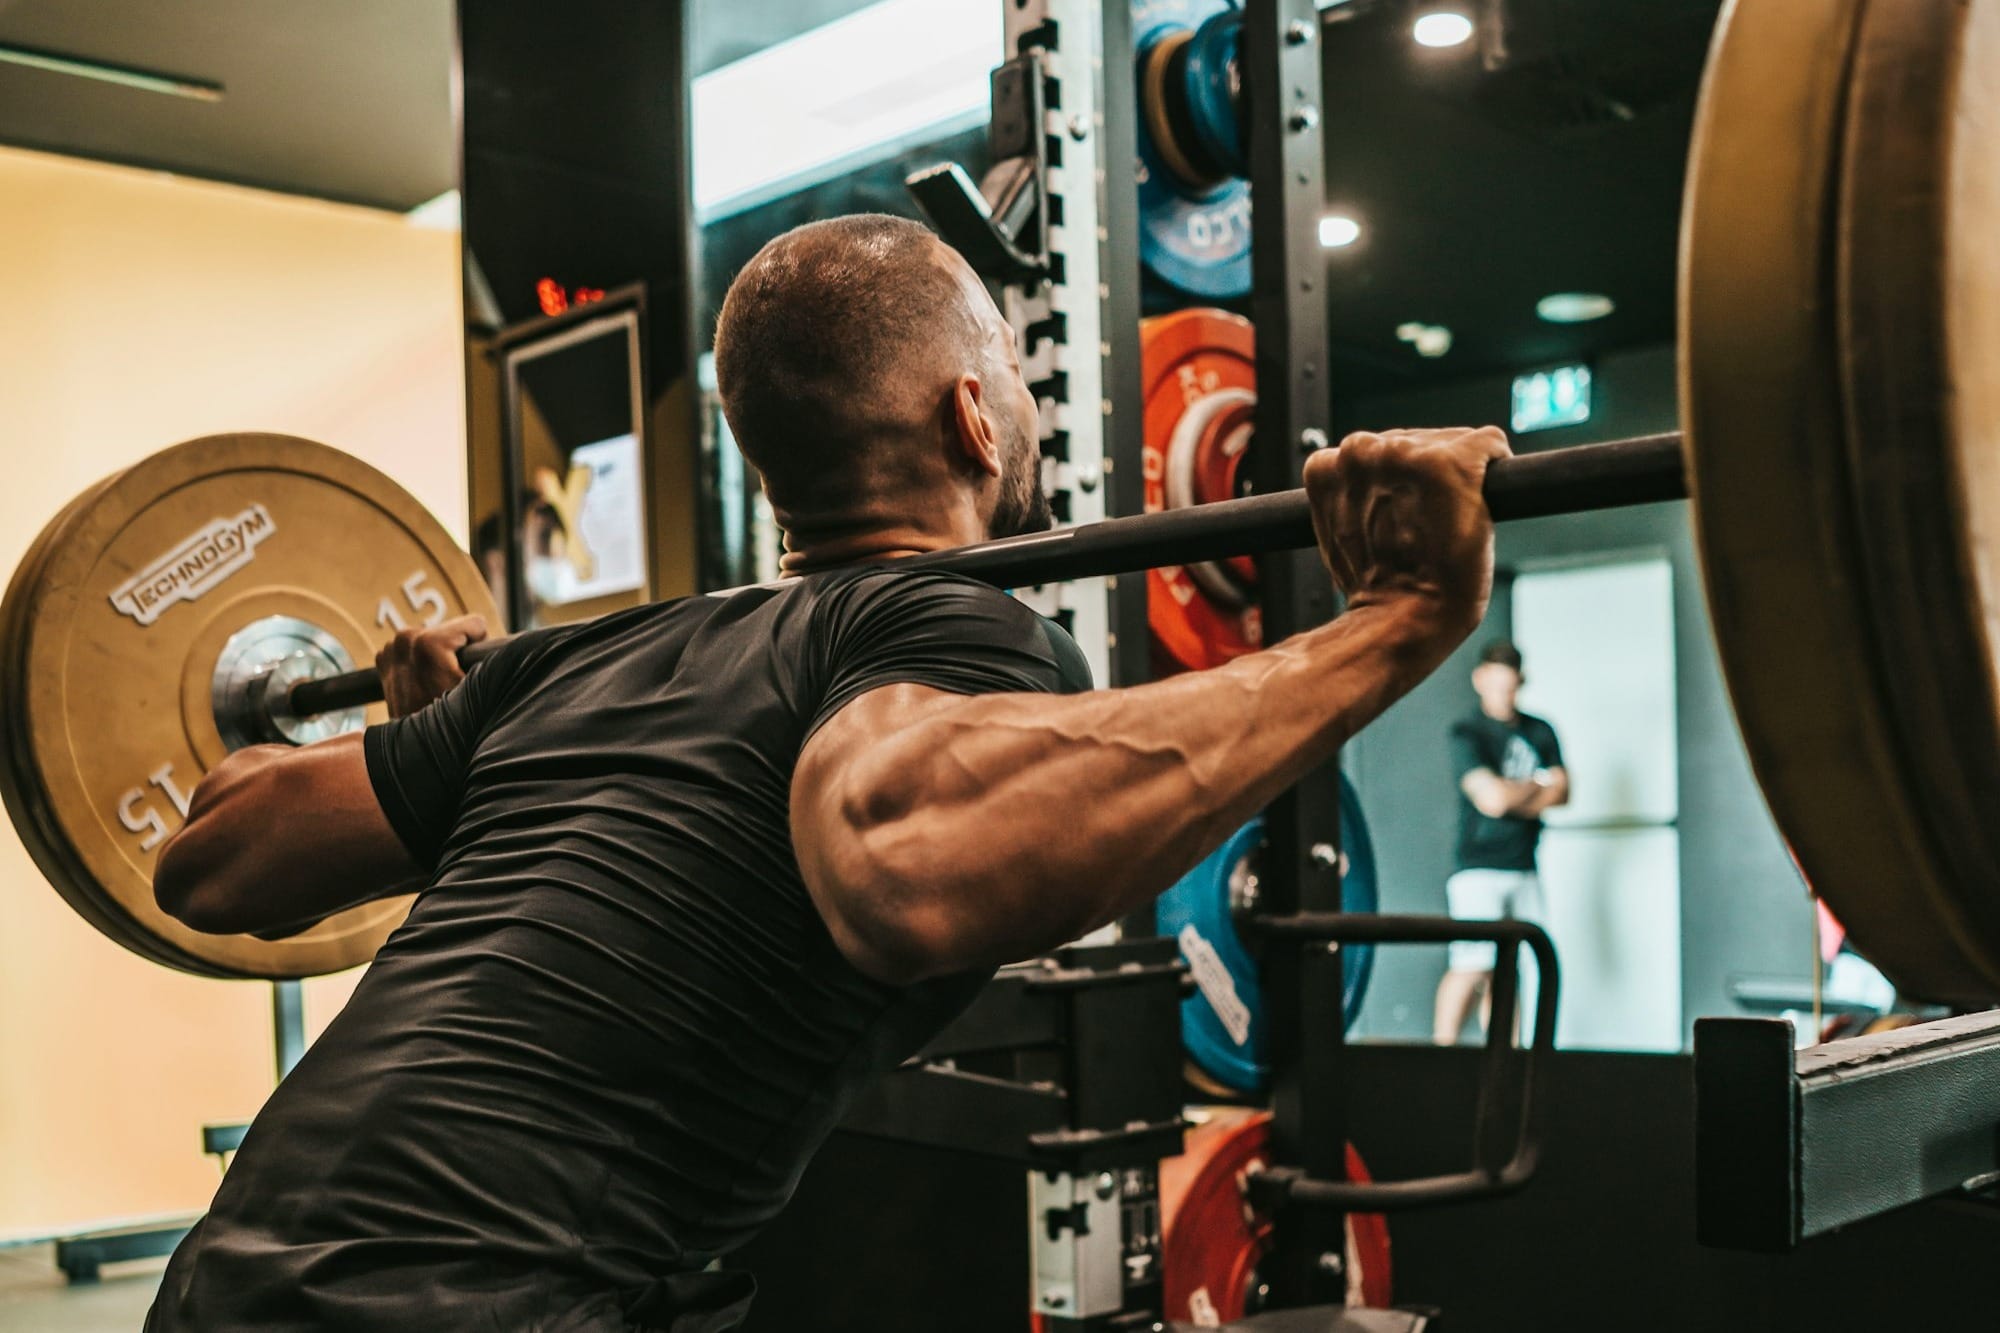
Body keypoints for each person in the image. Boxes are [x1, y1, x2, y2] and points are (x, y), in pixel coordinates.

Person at [143, 213, 1510, 1332]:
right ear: (975, 420)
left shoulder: (566, 666)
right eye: (1016, 379)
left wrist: (433, 746)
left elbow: (211, 855)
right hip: (488, 1304)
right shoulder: (953, 621)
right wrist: (1391, 623)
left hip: (229, 1275)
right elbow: (898, 859)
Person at [1433, 639, 1569, 1045]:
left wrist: (1513, 793)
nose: (1503, 692)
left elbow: (1563, 792)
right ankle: (1441, 1050)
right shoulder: (1467, 733)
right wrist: (1538, 785)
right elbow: (1492, 800)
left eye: (1510, 684)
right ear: (1480, 679)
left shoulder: (1540, 731)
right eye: (1496, 683)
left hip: (1524, 866)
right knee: (1472, 964)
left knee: (1510, 971)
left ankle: (1508, 1057)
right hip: (1478, 868)